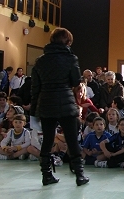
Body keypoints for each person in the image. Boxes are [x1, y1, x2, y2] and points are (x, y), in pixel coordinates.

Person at [30, 27, 89, 186]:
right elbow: (75, 81)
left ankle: (46, 175)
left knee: (47, 140)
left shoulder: (40, 61)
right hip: (65, 101)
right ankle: (79, 175)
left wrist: (34, 110)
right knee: (71, 139)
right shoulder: (71, 58)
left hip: (46, 103)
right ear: (68, 42)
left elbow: (35, 88)